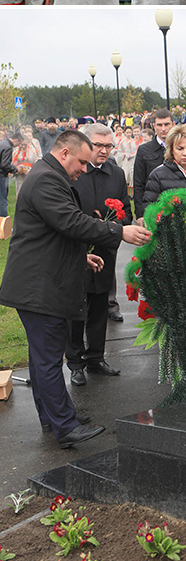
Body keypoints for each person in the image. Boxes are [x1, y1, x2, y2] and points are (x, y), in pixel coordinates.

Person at [0, 129, 150, 446]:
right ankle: (65, 426)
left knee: (43, 359)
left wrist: (81, 258)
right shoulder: (46, 179)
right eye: (81, 162)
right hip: (39, 288)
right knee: (49, 360)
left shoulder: (49, 175)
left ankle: (53, 417)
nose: (83, 170)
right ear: (65, 153)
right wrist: (119, 231)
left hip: (39, 283)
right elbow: (71, 222)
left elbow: (51, 233)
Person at [65, 124, 132, 386]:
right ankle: (75, 362)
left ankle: (95, 357)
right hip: (76, 249)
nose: (104, 151)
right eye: (98, 145)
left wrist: (114, 223)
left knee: (99, 305)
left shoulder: (116, 173)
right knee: (75, 307)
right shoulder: (74, 173)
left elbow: (125, 210)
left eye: (108, 146)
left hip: (104, 249)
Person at [133, 108, 173, 220]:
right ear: (154, 126)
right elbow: (138, 183)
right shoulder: (144, 150)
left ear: (173, 124)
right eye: (159, 125)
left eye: (166, 124)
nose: (163, 129)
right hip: (152, 208)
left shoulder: (180, 149)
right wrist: (140, 214)